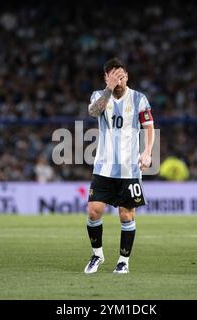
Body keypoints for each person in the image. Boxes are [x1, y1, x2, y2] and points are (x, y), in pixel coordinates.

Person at [84, 58, 154, 274]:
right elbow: (94, 112)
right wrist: (109, 88)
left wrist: (148, 152)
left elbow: (149, 127)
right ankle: (97, 255)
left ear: (127, 77)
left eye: (122, 76)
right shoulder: (99, 95)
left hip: (129, 169)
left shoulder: (139, 99)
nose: (119, 80)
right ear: (106, 78)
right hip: (103, 167)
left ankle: (123, 261)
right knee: (94, 212)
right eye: (114, 76)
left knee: (126, 215)